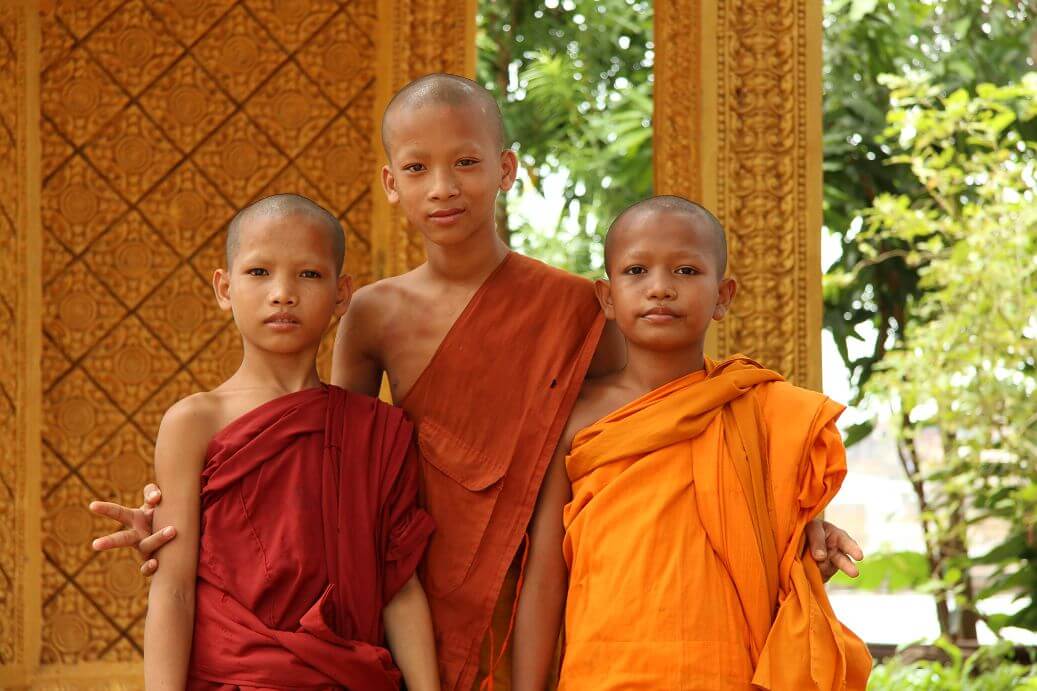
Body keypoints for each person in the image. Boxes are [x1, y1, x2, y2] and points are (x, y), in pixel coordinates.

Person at [90, 76, 864, 691]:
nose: (443, 186)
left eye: (464, 161)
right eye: (418, 168)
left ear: (504, 169)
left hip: (544, 591)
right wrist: (184, 517)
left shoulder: (571, 302)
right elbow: (326, 463)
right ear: (391, 183)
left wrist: (802, 516)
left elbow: (644, 428)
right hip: (418, 588)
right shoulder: (371, 315)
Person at [519, 195, 871, 690]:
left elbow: (770, 533)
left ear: (723, 296)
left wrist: (806, 539)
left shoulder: (760, 409)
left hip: (728, 674)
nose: (660, 288)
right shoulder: (573, 419)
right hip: (602, 672)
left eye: (686, 271)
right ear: (606, 297)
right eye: (636, 270)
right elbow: (544, 575)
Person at [140, 194, 438, 690]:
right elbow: (173, 589)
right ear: (224, 287)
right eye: (258, 272)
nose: (283, 293)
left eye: (309, 275)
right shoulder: (194, 422)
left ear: (342, 295)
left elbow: (399, 587)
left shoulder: (375, 429)